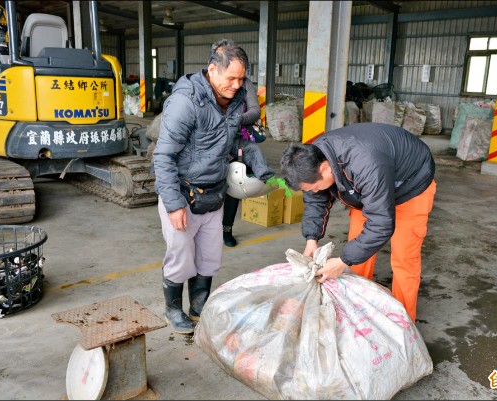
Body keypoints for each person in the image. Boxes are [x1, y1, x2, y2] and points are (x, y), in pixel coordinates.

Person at [153, 39, 274, 334]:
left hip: (214, 193)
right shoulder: (186, 102)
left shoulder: (234, 103)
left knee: (209, 258)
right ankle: (173, 310)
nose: (236, 85)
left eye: (241, 79)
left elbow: (236, 141)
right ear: (212, 71)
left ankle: (199, 307)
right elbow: (164, 155)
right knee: (181, 259)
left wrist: (261, 169)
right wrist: (173, 204)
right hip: (183, 194)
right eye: (231, 78)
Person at [280, 122, 436, 322]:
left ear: (325, 169)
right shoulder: (314, 157)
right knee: (357, 253)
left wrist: (342, 261)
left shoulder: (365, 163)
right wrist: (312, 238)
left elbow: (381, 225)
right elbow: (315, 198)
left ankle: (403, 323)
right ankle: (358, 310)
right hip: (370, 186)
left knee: (404, 259)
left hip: (410, 186)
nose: (314, 191)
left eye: (313, 187)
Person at [222, 77, 261, 247]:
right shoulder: (207, 83)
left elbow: (255, 111)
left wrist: (237, 119)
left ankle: (226, 229)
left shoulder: (245, 84)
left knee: (234, 185)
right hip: (211, 141)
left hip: (238, 141)